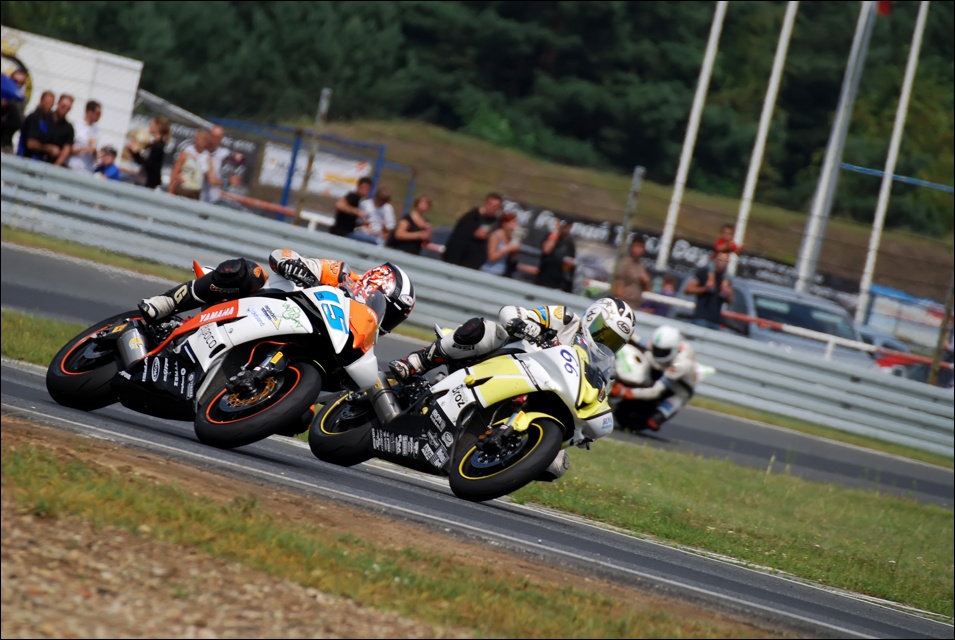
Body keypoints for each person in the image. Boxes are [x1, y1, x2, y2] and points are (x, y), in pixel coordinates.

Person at [138, 249, 417, 338]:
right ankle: (166, 303)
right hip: (263, 306)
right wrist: (293, 266)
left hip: (288, 342)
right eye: (390, 313)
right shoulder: (341, 274)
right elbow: (281, 254)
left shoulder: (362, 337)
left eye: (394, 320)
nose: (386, 323)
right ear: (376, 286)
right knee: (248, 271)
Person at [388, 295, 635, 383]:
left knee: (557, 465)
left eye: (613, 341)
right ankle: (417, 362)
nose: (604, 342)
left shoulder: (596, 371)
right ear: (592, 316)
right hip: (510, 361)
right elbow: (513, 312)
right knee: (488, 331)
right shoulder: (565, 318)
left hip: (541, 389)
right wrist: (524, 325)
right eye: (604, 331)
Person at [611, 325, 698, 431]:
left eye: (662, 352)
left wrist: (626, 392)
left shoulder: (681, 365)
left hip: (678, 388)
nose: (658, 353)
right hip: (662, 371)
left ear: (674, 350)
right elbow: (640, 341)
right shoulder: (660, 346)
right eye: (656, 349)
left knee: (654, 421)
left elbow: (655, 391)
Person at [443, 193, 503, 269]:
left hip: (474, 261)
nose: (492, 208)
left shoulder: (495, 223)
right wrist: (474, 233)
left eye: (495, 206)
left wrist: (487, 236)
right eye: (490, 204)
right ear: (486, 203)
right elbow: (459, 234)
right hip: (458, 256)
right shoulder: (472, 216)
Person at [685, 250, 733, 330]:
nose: (722, 263)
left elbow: (730, 300)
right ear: (715, 259)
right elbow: (688, 290)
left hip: (716, 321)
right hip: (701, 318)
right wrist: (705, 288)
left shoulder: (726, 278)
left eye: (725, 261)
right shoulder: (704, 272)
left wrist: (727, 292)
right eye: (720, 260)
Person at [127, 115, 170, 189]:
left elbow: (149, 165)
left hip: (148, 182)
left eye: (152, 124)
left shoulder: (158, 147)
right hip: (142, 179)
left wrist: (136, 153)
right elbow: (141, 162)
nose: (150, 126)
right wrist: (133, 151)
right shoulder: (152, 145)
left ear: (158, 127)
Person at [534, 218, 576, 292]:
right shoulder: (551, 236)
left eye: (567, 226)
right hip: (545, 278)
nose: (565, 228)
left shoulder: (570, 243)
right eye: (563, 226)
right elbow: (546, 250)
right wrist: (556, 231)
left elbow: (572, 260)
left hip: (560, 281)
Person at [168, 129, 211, 200]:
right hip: (183, 188)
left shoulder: (207, 157)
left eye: (202, 139)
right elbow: (175, 171)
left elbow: (210, 176)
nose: (199, 141)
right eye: (198, 138)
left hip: (196, 191)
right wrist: (170, 190)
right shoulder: (187, 152)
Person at [614, 235, 651, 311]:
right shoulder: (625, 263)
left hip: (636, 305)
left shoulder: (641, 266)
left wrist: (646, 282)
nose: (638, 249)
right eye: (637, 246)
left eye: (641, 247)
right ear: (631, 247)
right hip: (624, 303)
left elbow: (647, 289)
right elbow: (618, 283)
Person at [479, 212, 522, 276]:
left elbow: (511, 260)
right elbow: (492, 258)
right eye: (513, 222)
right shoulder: (496, 236)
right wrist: (508, 248)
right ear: (505, 224)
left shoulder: (510, 238)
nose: (516, 225)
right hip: (489, 272)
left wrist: (514, 253)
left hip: (501, 273)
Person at [19, 90, 56, 161]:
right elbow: (30, 144)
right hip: (26, 159)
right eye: (47, 103)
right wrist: (48, 148)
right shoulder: (33, 118)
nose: (49, 107)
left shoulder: (48, 120)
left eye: (51, 104)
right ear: (41, 101)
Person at [66, 100, 102, 173]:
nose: (99, 116)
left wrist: (94, 152)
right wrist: (83, 149)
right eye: (97, 113)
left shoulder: (96, 130)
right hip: (73, 166)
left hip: (87, 169)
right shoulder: (76, 126)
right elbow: (68, 148)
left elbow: (95, 154)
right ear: (89, 112)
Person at [201, 125, 230, 204]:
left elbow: (238, 160)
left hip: (214, 199)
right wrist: (228, 182)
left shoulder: (223, 153)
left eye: (218, 138)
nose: (215, 140)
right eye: (214, 136)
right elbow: (212, 181)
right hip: (200, 198)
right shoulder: (202, 153)